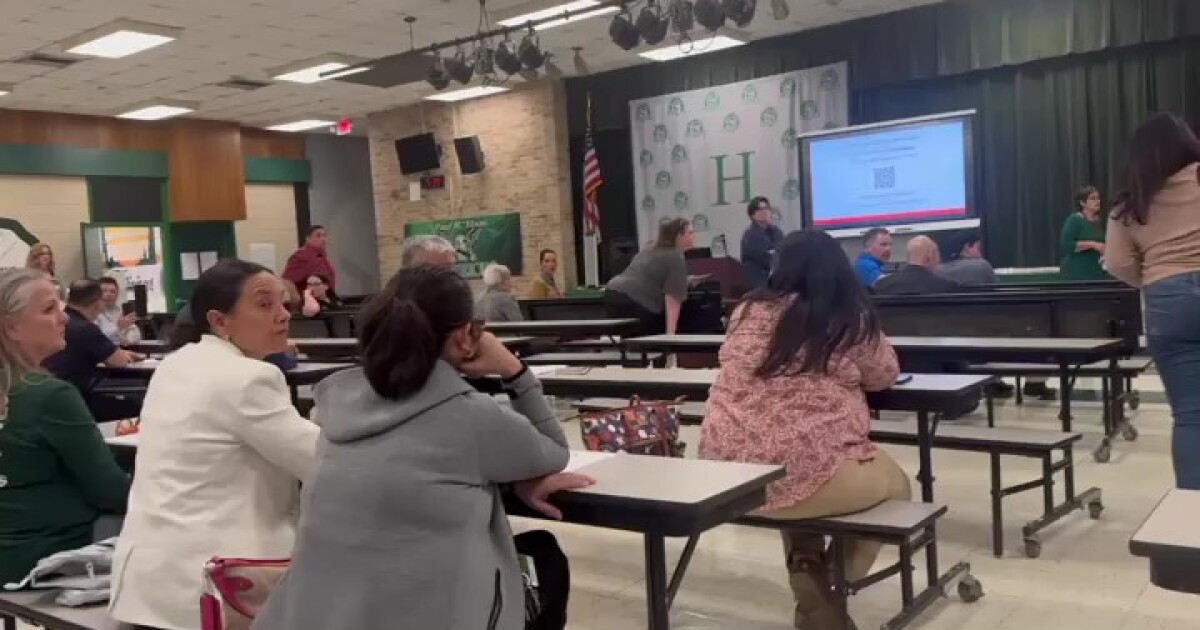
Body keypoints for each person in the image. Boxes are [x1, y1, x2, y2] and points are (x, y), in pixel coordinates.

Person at [254, 265, 570, 630]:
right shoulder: (468, 415)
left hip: (317, 613)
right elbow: (553, 449)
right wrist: (515, 372)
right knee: (546, 559)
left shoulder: (336, 407)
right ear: (468, 336)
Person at [699, 229, 910, 630]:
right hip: (801, 472)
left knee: (796, 469)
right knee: (896, 489)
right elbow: (884, 374)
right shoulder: (847, 314)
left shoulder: (746, 310)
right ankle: (828, 594)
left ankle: (809, 571)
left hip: (727, 471)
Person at [109, 259, 321, 630]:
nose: (283, 315)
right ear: (220, 321)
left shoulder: (176, 363)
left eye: (283, 303)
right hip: (213, 592)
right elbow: (319, 460)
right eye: (264, 304)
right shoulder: (248, 377)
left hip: (148, 586)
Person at [0, 268, 130, 586]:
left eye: (60, 304)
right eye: (48, 309)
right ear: (11, 327)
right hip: (43, 554)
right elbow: (110, 491)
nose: (65, 317)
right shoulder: (47, 395)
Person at [1104, 112, 1200, 490]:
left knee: (1191, 415)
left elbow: (1117, 262)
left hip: (1166, 300)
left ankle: (1192, 518)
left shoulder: (1130, 204)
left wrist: (1152, 278)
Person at [937, 231, 1056, 401]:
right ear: (967, 248)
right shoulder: (980, 266)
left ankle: (993, 382)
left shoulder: (937, 271)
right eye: (977, 247)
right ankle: (1035, 383)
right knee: (1035, 327)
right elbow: (998, 295)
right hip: (985, 334)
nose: (980, 251)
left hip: (950, 337)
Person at [43, 280, 143, 423]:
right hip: (77, 397)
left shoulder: (59, 323)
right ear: (97, 303)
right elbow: (118, 362)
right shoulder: (85, 328)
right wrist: (125, 356)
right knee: (136, 402)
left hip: (53, 392)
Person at [604, 218, 694, 335]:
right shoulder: (675, 256)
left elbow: (645, 275)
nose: (694, 236)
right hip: (636, 300)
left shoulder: (650, 248)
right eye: (690, 233)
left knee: (627, 341)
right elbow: (672, 299)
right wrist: (671, 336)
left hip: (613, 293)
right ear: (678, 236)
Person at [873, 236, 960, 296]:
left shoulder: (881, 285)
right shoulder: (946, 287)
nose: (938, 260)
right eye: (937, 255)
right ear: (930, 256)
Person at [1059, 186, 1110, 281]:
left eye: (1098, 198)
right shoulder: (1075, 220)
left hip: (1096, 271)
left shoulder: (1098, 221)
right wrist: (1092, 245)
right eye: (1093, 198)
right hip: (1077, 272)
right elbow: (1067, 244)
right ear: (1082, 203)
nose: (1097, 201)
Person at [741, 196, 784, 290]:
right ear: (752, 215)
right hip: (760, 286)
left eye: (767, 208)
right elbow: (770, 259)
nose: (765, 212)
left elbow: (783, 253)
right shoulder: (751, 236)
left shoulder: (776, 231)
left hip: (776, 282)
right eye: (760, 209)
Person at [282, 225, 336, 294]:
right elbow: (287, 281)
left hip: (326, 299)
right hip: (309, 300)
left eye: (324, 235)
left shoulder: (322, 257)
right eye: (318, 236)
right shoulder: (301, 256)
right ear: (308, 239)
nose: (323, 239)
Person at [94, 277, 142, 346]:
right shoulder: (92, 314)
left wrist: (125, 339)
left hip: (123, 352)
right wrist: (118, 328)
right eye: (104, 291)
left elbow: (135, 336)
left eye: (113, 291)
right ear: (96, 294)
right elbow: (96, 340)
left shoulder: (121, 312)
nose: (108, 294)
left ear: (117, 295)